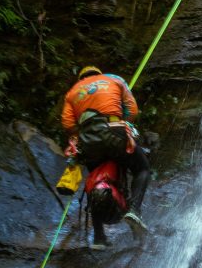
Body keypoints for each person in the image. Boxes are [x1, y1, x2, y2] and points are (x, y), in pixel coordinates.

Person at [61, 65, 150, 243]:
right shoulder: (114, 80)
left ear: (81, 78)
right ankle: (134, 211)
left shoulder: (72, 93)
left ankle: (99, 237)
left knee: (94, 180)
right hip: (113, 132)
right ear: (99, 74)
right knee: (142, 168)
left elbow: (68, 125)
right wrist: (121, 119)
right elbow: (132, 111)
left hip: (87, 141)